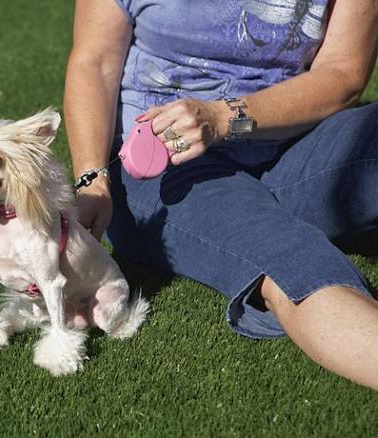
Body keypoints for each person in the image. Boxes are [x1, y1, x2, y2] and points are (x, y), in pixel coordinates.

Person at [64, 0, 378, 389]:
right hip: (161, 169)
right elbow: (94, 63)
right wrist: (93, 180)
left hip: (296, 145)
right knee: (289, 254)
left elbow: (343, 73)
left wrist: (222, 118)